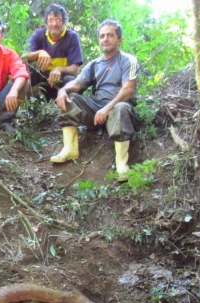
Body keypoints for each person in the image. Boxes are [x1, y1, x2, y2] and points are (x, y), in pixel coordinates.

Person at [51, 19, 139, 182]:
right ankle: (70, 148)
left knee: (120, 107)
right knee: (70, 98)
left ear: (119, 40)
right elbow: (77, 83)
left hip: (118, 108)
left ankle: (121, 163)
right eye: (102, 36)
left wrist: (107, 108)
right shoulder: (94, 64)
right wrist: (63, 90)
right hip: (97, 109)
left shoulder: (127, 60)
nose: (105, 39)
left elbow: (128, 90)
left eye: (110, 35)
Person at [22, 4, 83, 101]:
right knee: (28, 71)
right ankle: (33, 106)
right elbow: (23, 58)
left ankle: (67, 110)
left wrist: (59, 69)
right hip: (42, 80)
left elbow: (75, 70)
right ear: (46, 22)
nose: (54, 24)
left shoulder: (71, 37)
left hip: (60, 81)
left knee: (72, 81)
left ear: (63, 22)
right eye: (51, 20)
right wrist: (39, 53)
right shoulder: (39, 35)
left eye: (58, 20)